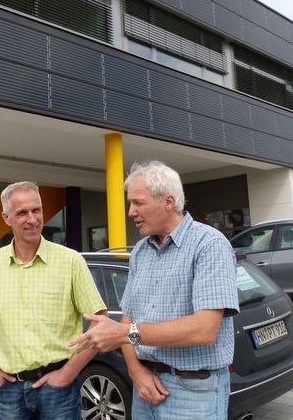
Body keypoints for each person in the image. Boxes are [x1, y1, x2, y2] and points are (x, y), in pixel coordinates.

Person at [69, 161, 239, 419]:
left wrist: (125, 334)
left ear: (168, 201)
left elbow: (205, 329)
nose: (130, 212)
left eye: (138, 203)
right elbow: (128, 316)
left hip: (193, 392)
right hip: (144, 386)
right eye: (130, 203)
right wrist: (135, 370)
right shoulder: (140, 251)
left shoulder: (209, 244)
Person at [0, 181, 107, 420]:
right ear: (6, 218)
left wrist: (68, 373)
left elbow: (100, 322)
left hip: (58, 390)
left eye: (37, 210)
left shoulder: (70, 261)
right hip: (7, 390)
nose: (32, 219)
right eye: (22, 213)